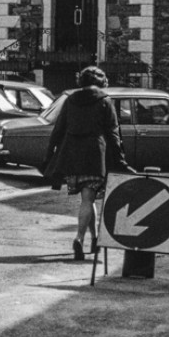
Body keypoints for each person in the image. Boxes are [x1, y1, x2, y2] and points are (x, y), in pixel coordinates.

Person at [44, 66, 132, 261]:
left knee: (87, 200)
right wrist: (121, 160)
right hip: (94, 154)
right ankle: (79, 237)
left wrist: (49, 155)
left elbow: (58, 129)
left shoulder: (70, 99)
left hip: (72, 155)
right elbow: (113, 133)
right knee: (88, 198)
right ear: (101, 82)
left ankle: (94, 238)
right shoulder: (104, 100)